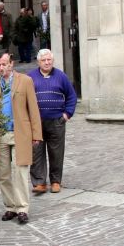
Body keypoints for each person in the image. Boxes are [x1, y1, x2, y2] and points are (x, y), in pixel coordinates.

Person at [0, 52, 42, 224]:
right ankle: (10, 206)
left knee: (20, 171)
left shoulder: (25, 81)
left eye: (4, 64)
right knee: (3, 173)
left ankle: (22, 208)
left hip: (20, 132)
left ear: (11, 63)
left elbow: (33, 109)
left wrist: (37, 134)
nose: (1, 68)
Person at [28, 49, 77, 194]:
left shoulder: (61, 76)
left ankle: (56, 181)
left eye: (49, 60)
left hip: (56, 121)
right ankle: (39, 182)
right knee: (36, 152)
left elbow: (71, 96)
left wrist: (67, 115)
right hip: (36, 122)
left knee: (56, 152)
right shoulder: (30, 77)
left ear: (52, 61)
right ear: (38, 62)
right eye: (44, 60)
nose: (47, 62)